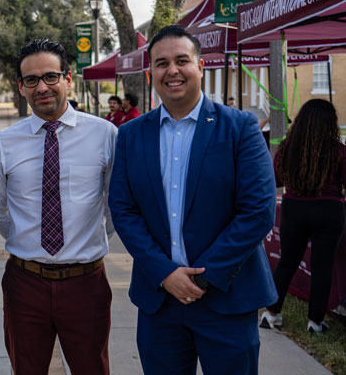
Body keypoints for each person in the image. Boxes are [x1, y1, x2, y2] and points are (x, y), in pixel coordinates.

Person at [108, 25, 277, 375]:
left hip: (227, 298)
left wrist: (203, 277)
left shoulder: (240, 128)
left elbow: (258, 212)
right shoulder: (130, 135)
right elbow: (123, 211)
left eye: (182, 61)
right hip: (160, 303)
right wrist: (165, 273)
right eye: (161, 63)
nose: (172, 70)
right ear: (150, 73)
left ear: (200, 66)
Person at [0, 39, 117, 374]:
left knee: (92, 369)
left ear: (68, 78)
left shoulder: (105, 135)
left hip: (86, 283)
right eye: (31, 80)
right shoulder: (3, 143)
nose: (42, 87)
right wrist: (28, 239)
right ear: (21, 87)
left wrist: (86, 239)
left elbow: (114, 205)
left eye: (50, 77)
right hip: (25, 283)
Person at [261, 99, 346, 334]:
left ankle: (270, 314)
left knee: (287, 262)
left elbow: (276, 180)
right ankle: (315, 322)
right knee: (322, 266)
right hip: (329, 210)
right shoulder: (339, 151)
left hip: (293, 208)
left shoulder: (287, 148)